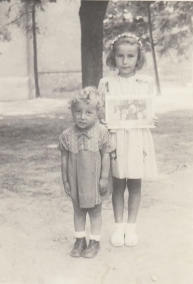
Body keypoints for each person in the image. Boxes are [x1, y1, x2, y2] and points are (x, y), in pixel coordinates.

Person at [98, 33, 158, 247]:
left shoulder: (145, 82)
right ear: (112, 57)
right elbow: (101, 112)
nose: (125, 61)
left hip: (137, 138)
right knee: (117, 183)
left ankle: (131, 228)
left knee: (134, 183)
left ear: (138, 58)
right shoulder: (106, 83)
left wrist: (151, 117)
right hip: (116, 138)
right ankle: (118, 227)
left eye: (130, 56)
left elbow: (148, 109)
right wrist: (104, 119)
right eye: (120, 56)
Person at [58, 86, 112, 258]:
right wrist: (65, 180)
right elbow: (64, 159)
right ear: (72, 112)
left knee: (95, 211)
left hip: (95, 179)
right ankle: (80, 240)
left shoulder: (102, 132)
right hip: (76, 180)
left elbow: (106, 156)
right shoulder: (66, 135)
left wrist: (104, 178)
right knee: (78, 211)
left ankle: (95, 241)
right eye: (78, 112)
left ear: (98, 113)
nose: (82, 117)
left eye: (88, 112)